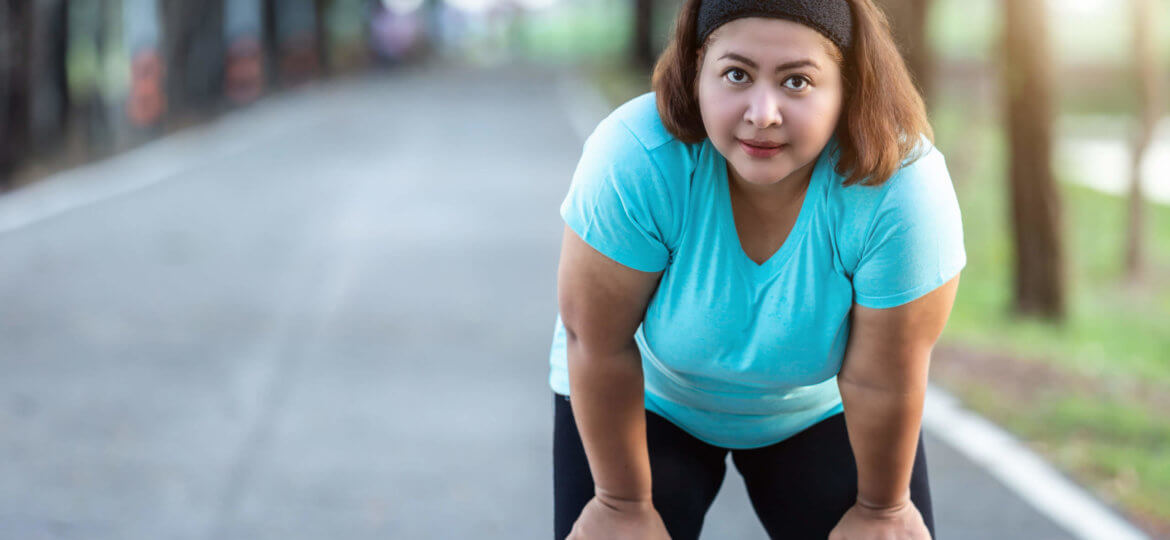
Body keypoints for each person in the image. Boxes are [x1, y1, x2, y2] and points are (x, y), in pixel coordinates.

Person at [548, 0, 965, 538]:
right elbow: (596, 341)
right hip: (646, 394)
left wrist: (883, 510)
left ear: (848, 86)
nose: (762, 113)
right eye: (737, 74)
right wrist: (621, 502)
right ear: (698, 70)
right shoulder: (637, 156)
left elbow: (882, 378)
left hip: (816, 407)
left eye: (796, 82)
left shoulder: (900, 189)